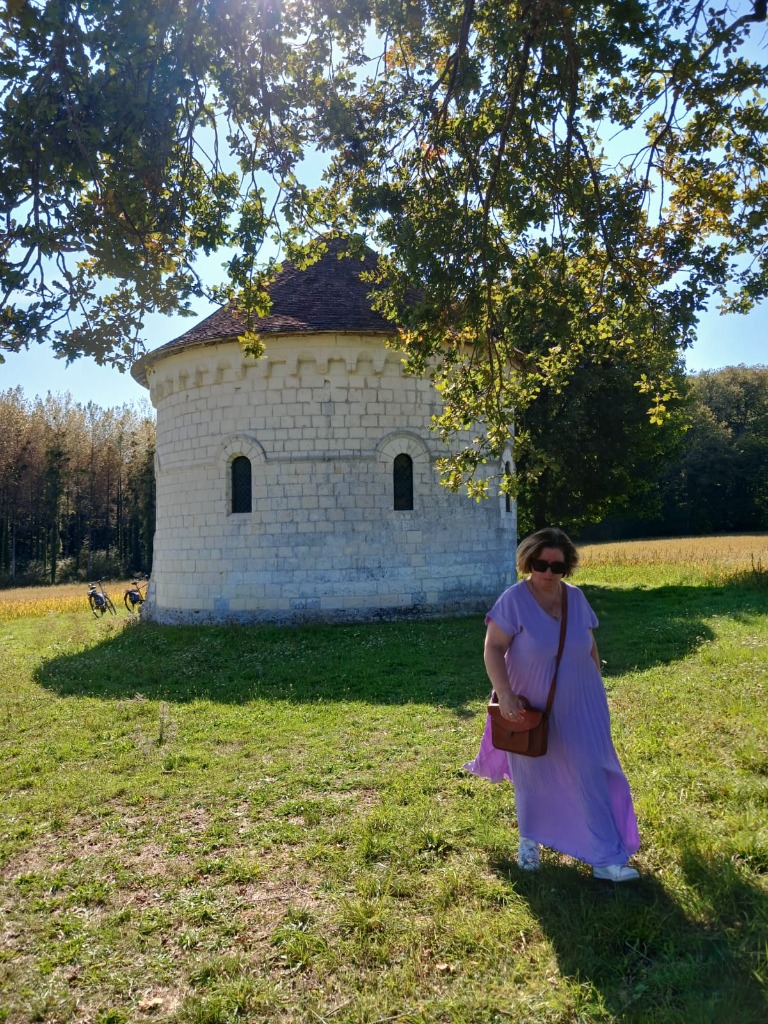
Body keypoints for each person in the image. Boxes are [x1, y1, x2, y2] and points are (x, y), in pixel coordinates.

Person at [464, 527, 641, 881]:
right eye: (540, 564)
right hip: (530, 705)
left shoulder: (576, 598)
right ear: (528, 562)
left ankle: (603, 858)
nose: (547, 572)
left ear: (567, 567)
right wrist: (505, 693)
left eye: (557, 566)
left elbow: (589, 645)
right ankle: (529, 841)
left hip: (582, 703)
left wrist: (595, 685)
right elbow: (493, 648)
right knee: (533, 775)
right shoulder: (514, 600)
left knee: (591, 771)